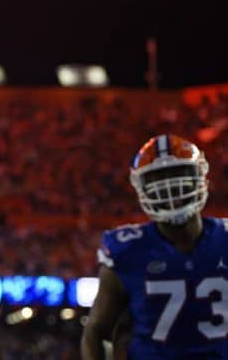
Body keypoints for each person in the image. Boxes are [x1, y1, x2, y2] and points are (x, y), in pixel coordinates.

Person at [81, 134, 228, 359]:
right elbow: (98, 330)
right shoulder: (128, 251)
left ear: (200, 179)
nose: (171, 192)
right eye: (159, 180)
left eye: (179, 176)